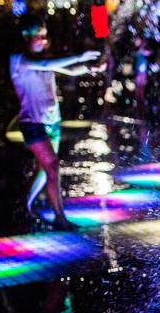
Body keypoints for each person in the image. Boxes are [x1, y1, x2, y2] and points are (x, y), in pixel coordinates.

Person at [10, 15, 101, 230]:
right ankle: (60, 217)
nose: (43, 39)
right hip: (34, 124)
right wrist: (80, 55)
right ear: (25, 36)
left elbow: (67, 69)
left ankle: (24, 206)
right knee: (52, 167)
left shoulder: (44, 59)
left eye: (45, 35)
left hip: (53, 122)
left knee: (44, 169)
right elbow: (45, 64)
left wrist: (89, 68)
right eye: (38, 35)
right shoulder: (18, 60)